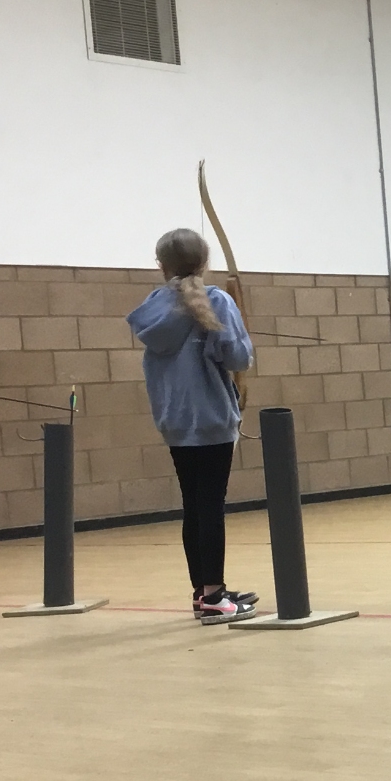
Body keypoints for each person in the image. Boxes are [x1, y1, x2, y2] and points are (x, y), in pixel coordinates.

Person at [129, 229, 260, 625]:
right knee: (210, 506)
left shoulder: (153, 306)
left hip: (175, 419)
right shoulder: (216, 300)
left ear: (161, 265)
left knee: (195, 505)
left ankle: (203, 592)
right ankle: (215, 595)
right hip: (212, 418)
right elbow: (238, 358)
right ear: (204, 263)